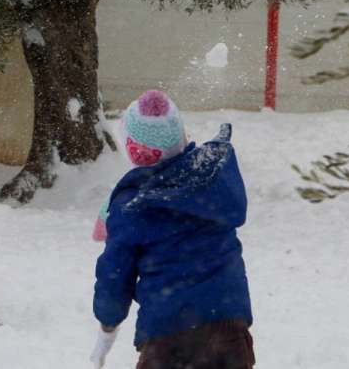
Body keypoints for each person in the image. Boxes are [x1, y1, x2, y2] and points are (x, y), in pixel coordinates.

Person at [90, 90, 255, 369]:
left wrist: (107, 328)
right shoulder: (212, 179)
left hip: (168, 340)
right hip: (230, 334)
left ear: (136, 150)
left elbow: (115, 276)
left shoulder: (134, 205)